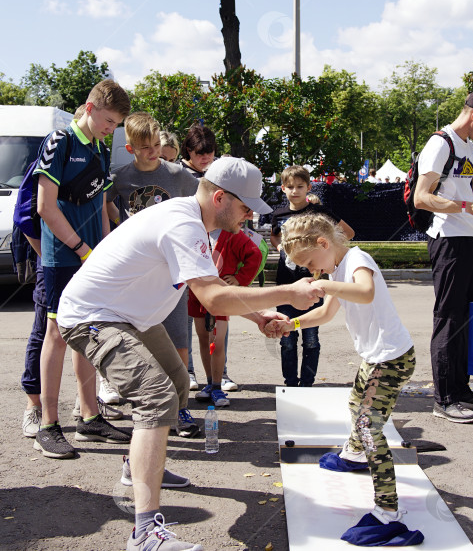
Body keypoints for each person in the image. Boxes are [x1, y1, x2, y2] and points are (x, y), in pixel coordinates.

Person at [55, 156, 323, 551]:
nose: (250, 214)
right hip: (92, 317)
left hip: (132, 317)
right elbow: (214, 297)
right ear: (219, 198)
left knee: (179, 380)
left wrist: (258, 315)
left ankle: (138, 467)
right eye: (246, 206)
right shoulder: (184, 224)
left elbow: (212, 287)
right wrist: (287, 294)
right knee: (156, 396)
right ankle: (144, 534)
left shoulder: (197, 220)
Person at [269, 213, 418, 539]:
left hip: (390, 359)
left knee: (368, 426)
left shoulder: (357, 259)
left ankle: (389, 513)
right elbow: (324, 313)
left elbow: (366, 292)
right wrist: (290, 325)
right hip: (377, 357)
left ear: (323, 243)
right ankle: (352, 455)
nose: (312, 271)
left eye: (310, 262)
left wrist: (323, 283)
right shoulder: (337, 268)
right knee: (355, 403)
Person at [33, 80, 132, 459]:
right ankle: (48, 424)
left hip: (91, 256)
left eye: (116, 123)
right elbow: (45, 206)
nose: (111, 128)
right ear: (90, 108)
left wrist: (103, 248)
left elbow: (102, 200)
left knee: (87, 331)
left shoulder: (99, 146)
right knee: (56, 334)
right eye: (108, 120)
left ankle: (90, 416)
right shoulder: (60, 141)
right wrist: (80, 247)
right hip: (63, 256)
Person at [414, 90, 473, 424]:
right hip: (447, 240)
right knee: (449, 318)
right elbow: (421, 198)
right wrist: (468, 208)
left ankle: (462, 389)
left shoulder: (471, 149)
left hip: (468, 241)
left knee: (467, 317)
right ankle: (444, 398)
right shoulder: (441, 143)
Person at [107, 112, 200, 437]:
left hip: (172, 271)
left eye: (157, 144)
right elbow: (106, 204)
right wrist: (120, 224)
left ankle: (182, 409)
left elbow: (201, 203)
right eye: (146, 147)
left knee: (178, 339)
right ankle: (148, 408)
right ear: (131, 148)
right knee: (138, 341)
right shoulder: (120, 178)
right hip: (136, 275)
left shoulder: (179, 175)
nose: (154, 151)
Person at [270, 164, 355, 387]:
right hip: (286, 284)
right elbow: (275, 237)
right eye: (290, 187)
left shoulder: (319, 213)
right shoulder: (278, 214)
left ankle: (307, 384)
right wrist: (280, 247)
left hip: (313, 283)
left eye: (300, 186)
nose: (295, 191)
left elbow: (348, 232)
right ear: (283, 188)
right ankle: (290, 383)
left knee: (311, 339)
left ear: (309, 187)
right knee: (287, 340)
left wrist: (329, 253)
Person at [190, 228, 263, 407]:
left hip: (221, 295)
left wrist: (239, 279)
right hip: (196, 293)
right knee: (203, 338)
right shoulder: (195, 230)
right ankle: (209, 383)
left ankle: (217, 385)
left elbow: (255, 255)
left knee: (217, 341)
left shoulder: (232, 233)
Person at [177, 124, 218, 391]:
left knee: (215, 317)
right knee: (184, 316)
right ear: (188, 152)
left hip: (214, 249)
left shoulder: (219, 174)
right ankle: (188, 371)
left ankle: (219, 374)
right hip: (184, 249)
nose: (204, 157)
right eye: (198, 152)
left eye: (209, 152)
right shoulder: (178, 175)